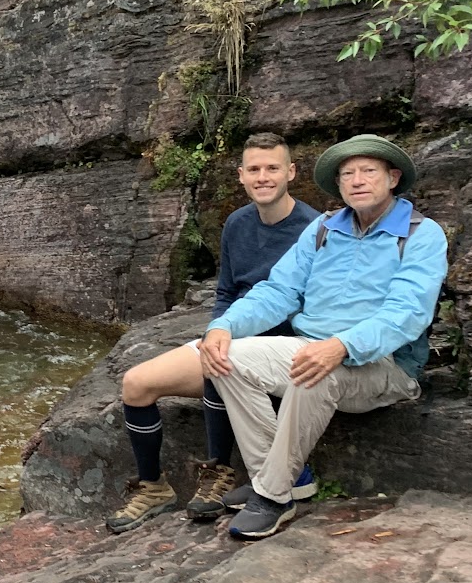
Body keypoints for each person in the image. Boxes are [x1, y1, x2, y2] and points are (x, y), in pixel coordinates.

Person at [200, 133, 449, 541]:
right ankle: (283, 479)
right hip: (311, 347)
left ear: (392, 177)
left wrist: (343, 345)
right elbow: (279, 291)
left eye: (368, 171)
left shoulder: (422, 234)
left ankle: (273, 497)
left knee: (313, 370)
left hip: (383, 366)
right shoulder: (323, 228)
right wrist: (224, 326)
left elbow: (407, 314)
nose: (357, 180)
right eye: (347, 174)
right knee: (228, 358)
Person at [107, 133, 320, 534]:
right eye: (254, 169)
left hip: (280, 348)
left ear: (290, 172)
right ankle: (153, 487)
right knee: (136, 383)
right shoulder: (237, 224)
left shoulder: (313, 230)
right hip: (230, 333)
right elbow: (225, 293)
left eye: (272, 168)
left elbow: (312, 306)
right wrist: (215, 332)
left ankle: (219, 470)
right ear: (241, 176)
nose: (263, 177)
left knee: (220, 368)